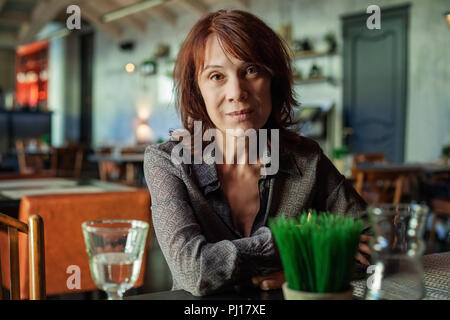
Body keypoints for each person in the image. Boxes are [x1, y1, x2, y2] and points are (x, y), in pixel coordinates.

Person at [144, 9, 371, 296]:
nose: (237, 91)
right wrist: (294, 242)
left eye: (251, 70)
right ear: (197, 89)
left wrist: (298, 270)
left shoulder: (306, 158)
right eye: (216, 76)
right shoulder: (168, 162)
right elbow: (194, 271)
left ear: (273, 80)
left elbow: (372, 243)